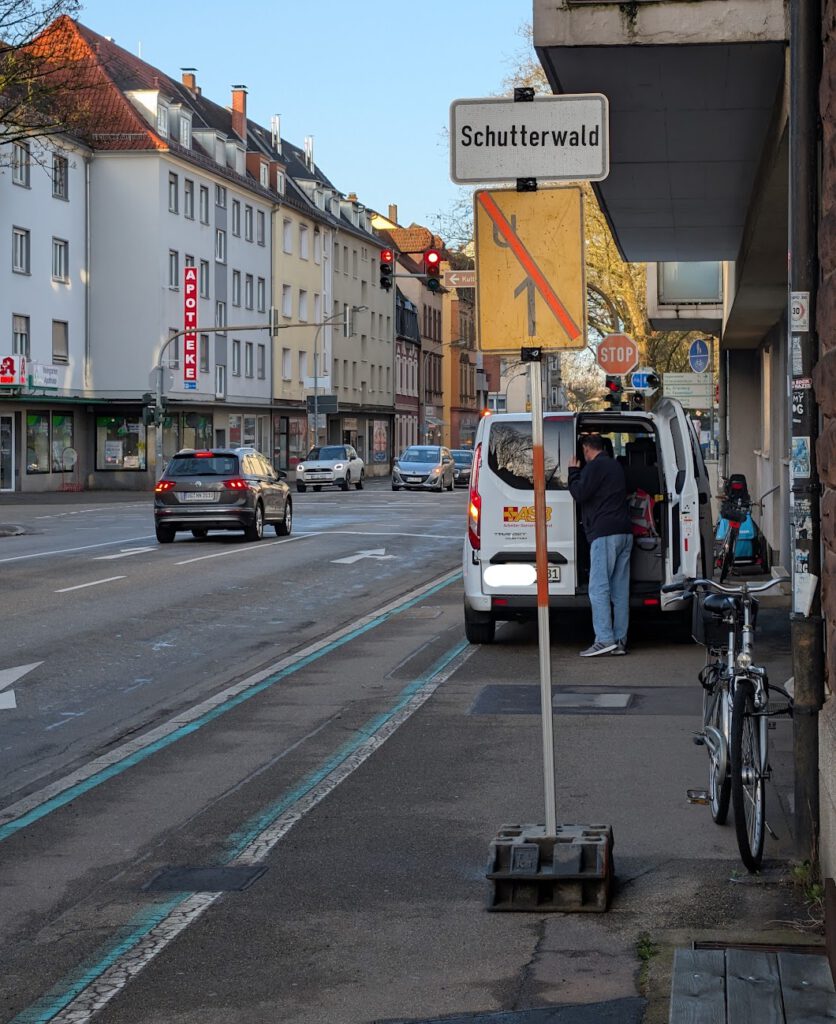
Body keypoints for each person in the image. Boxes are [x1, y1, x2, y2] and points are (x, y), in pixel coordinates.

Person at [568, 434, 633, 657]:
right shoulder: (615, 466)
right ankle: (620, 640)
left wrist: (573, 472)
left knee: (598, 588)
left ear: (587, 449)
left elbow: (579, 493)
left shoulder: (594, 467)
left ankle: (604, 639)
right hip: (624, 532)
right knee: (620, 591)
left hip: (604, 534)